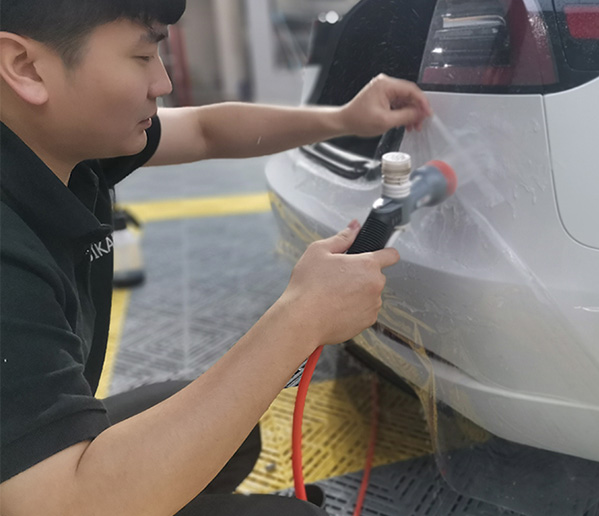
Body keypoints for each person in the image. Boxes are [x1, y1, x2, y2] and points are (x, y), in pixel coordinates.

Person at [0, 1, 433, 515]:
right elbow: (61, 504)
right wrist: (300, 317)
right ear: (25, 68)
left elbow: (206, 129)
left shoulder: (54, 143)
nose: (163, 83)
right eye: (142, 56)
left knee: (233, 433)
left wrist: (344, 119)